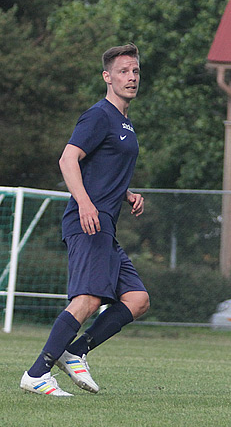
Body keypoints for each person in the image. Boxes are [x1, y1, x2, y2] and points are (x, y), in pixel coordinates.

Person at [20, 43, 150, 396]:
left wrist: (126, 193)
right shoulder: (99, 115)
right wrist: (84, 204)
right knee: (89, 298)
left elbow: (102, 169)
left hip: (106, 224)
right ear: (107, 77)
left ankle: (75, 351)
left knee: (137, 299)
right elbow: (68, 159)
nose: (132, 77)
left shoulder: (125, 122)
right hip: (88, 221)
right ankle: (36, 373)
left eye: (135, 71)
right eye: (123, 71)